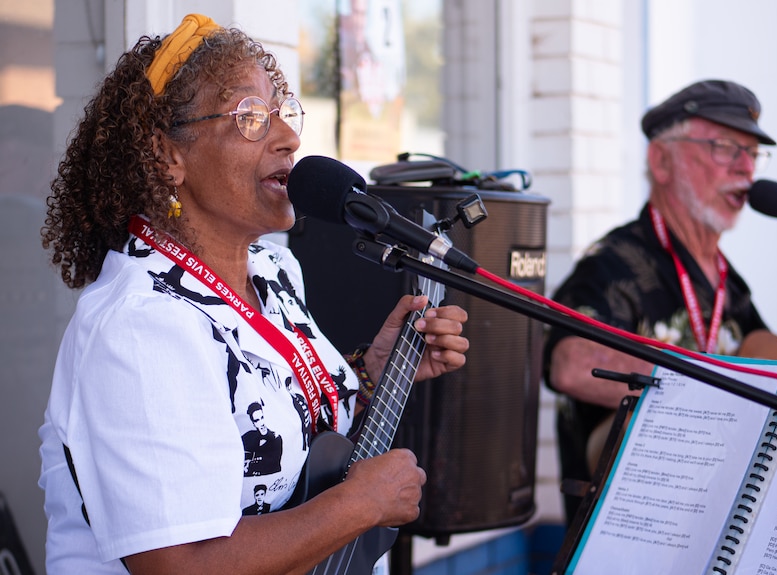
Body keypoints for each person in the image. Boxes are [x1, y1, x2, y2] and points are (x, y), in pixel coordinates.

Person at [38, 14, 469, 575]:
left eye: (284, 113)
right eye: (250, 118)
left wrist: (370, 377)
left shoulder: (273, 269)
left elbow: (279, 439)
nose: (289, 138)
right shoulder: (140, 326)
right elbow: (181, 565)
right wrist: (358, 505)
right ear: (168, 155)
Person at [544, 79, 777, 522]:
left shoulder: (731, 284)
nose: (747, 169)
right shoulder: (611, 264)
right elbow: (570, 364)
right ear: (661, 160)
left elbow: (774, 373)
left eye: (752, 153)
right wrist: (719, 396)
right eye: (726, 147)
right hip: (628, 536)